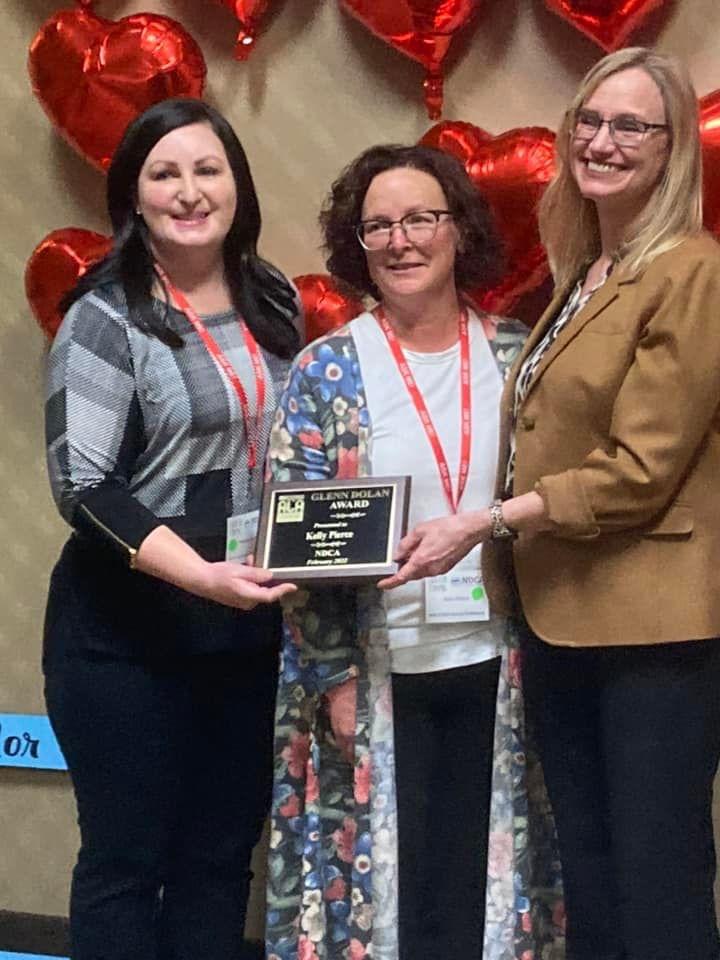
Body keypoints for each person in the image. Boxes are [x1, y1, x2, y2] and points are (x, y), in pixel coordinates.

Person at [382, 48, 720, 960]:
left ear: (673, 148)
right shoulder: (585, 274)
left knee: (658, 886)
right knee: (595, 881)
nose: (601, 142)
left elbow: (641, 469)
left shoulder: (692, 272)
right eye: (590, 121)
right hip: (564, 620)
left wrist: (489, 519)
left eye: (630, 126)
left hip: (653, 636)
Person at [265, 144, 563, 960]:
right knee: (388, 889)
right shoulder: (327, 372)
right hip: (376, 668)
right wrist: (332, 678)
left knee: (478, 885)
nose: (400, 241)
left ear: (459, 229)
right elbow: (300, 547)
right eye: (378, 227)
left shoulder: (519, 358)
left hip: (503, 665)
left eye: (421, 219)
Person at [43, 97, 299, 960]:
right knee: (127, 863)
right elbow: (83, 485)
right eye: (164, 173)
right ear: (133, 195)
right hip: (127, 637)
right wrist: (203, 578)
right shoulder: (104, 318)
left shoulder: (275, 298)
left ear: (237, 186)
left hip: (246, 632)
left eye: (207, 169)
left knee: (221, 862)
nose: (189, 192)